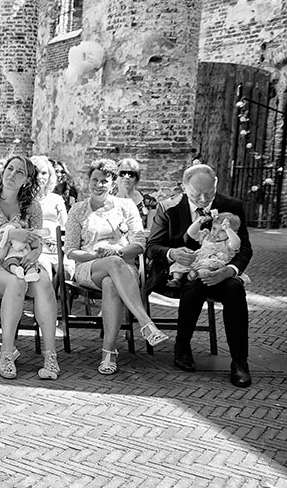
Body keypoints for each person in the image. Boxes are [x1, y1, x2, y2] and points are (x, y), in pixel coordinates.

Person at [146, 164, 253, 388]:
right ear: (184, 188)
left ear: (216, 186)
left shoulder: (232, 206)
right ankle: (182, 347)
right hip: (184, 271)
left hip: (221, 269)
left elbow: (244, 249)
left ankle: (240, 362)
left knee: (235, 289)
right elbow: (152, 247)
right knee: (193, 285)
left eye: (209, 193)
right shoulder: (168, 207)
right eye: (197, 194)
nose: (204, 199)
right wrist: (172, 253)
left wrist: (228, 271)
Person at [63, 159, 170, 375]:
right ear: (88, 181)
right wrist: (96, 254)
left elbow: (139, 244)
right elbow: (71, 250)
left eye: (105, 180)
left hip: (123, 267)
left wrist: (118, 252)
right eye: (95, 180)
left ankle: (108, 354)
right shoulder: (78, 209)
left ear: (112, 183)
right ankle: (145, 322)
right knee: (112, 263)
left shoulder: (126, 206)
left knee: (112, 281)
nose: (99, 184)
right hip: (88, 266)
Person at [0, 155, 61, 380]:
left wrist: (33, 254)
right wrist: (10, 234)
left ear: (27, 180)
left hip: (24, 263)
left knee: (43, 283)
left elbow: (37, 242)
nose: (12, 174)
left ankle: (51, 356)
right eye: (10, 169)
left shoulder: (33, 207)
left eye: (19, 172)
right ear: (3, 172)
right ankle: (6, 353)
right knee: (15, 282)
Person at [169, 212, 242, 284]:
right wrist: (198, 222)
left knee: (205, 269)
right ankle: (176, 279)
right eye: (214, 228)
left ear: (234, 232)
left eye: (222, 231)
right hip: (198, 258)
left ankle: (196, 274)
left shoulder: (229, 242)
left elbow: (236, 243)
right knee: (182, 262)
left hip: (212, 262)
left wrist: (228, 229)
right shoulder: (207, 236)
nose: (216, 233)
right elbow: (191, 233)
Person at [29, 154, 67, 276]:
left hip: (56, 247)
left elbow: (65, 226)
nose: (40, 177)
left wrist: (58, 242)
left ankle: (57, 294)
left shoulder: (57, 199)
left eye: (44, 173)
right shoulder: (24, 200)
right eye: (36, 173)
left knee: (68, 271)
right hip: (35, 248)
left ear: (50, 176)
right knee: (45, 269)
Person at [115, 157, 158, 229]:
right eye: (122, 173)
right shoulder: (107, 201)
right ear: (116, 177)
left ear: (136, 179)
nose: (126, 177)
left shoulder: (149, 202)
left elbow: (150, 233)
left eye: (131, 174)